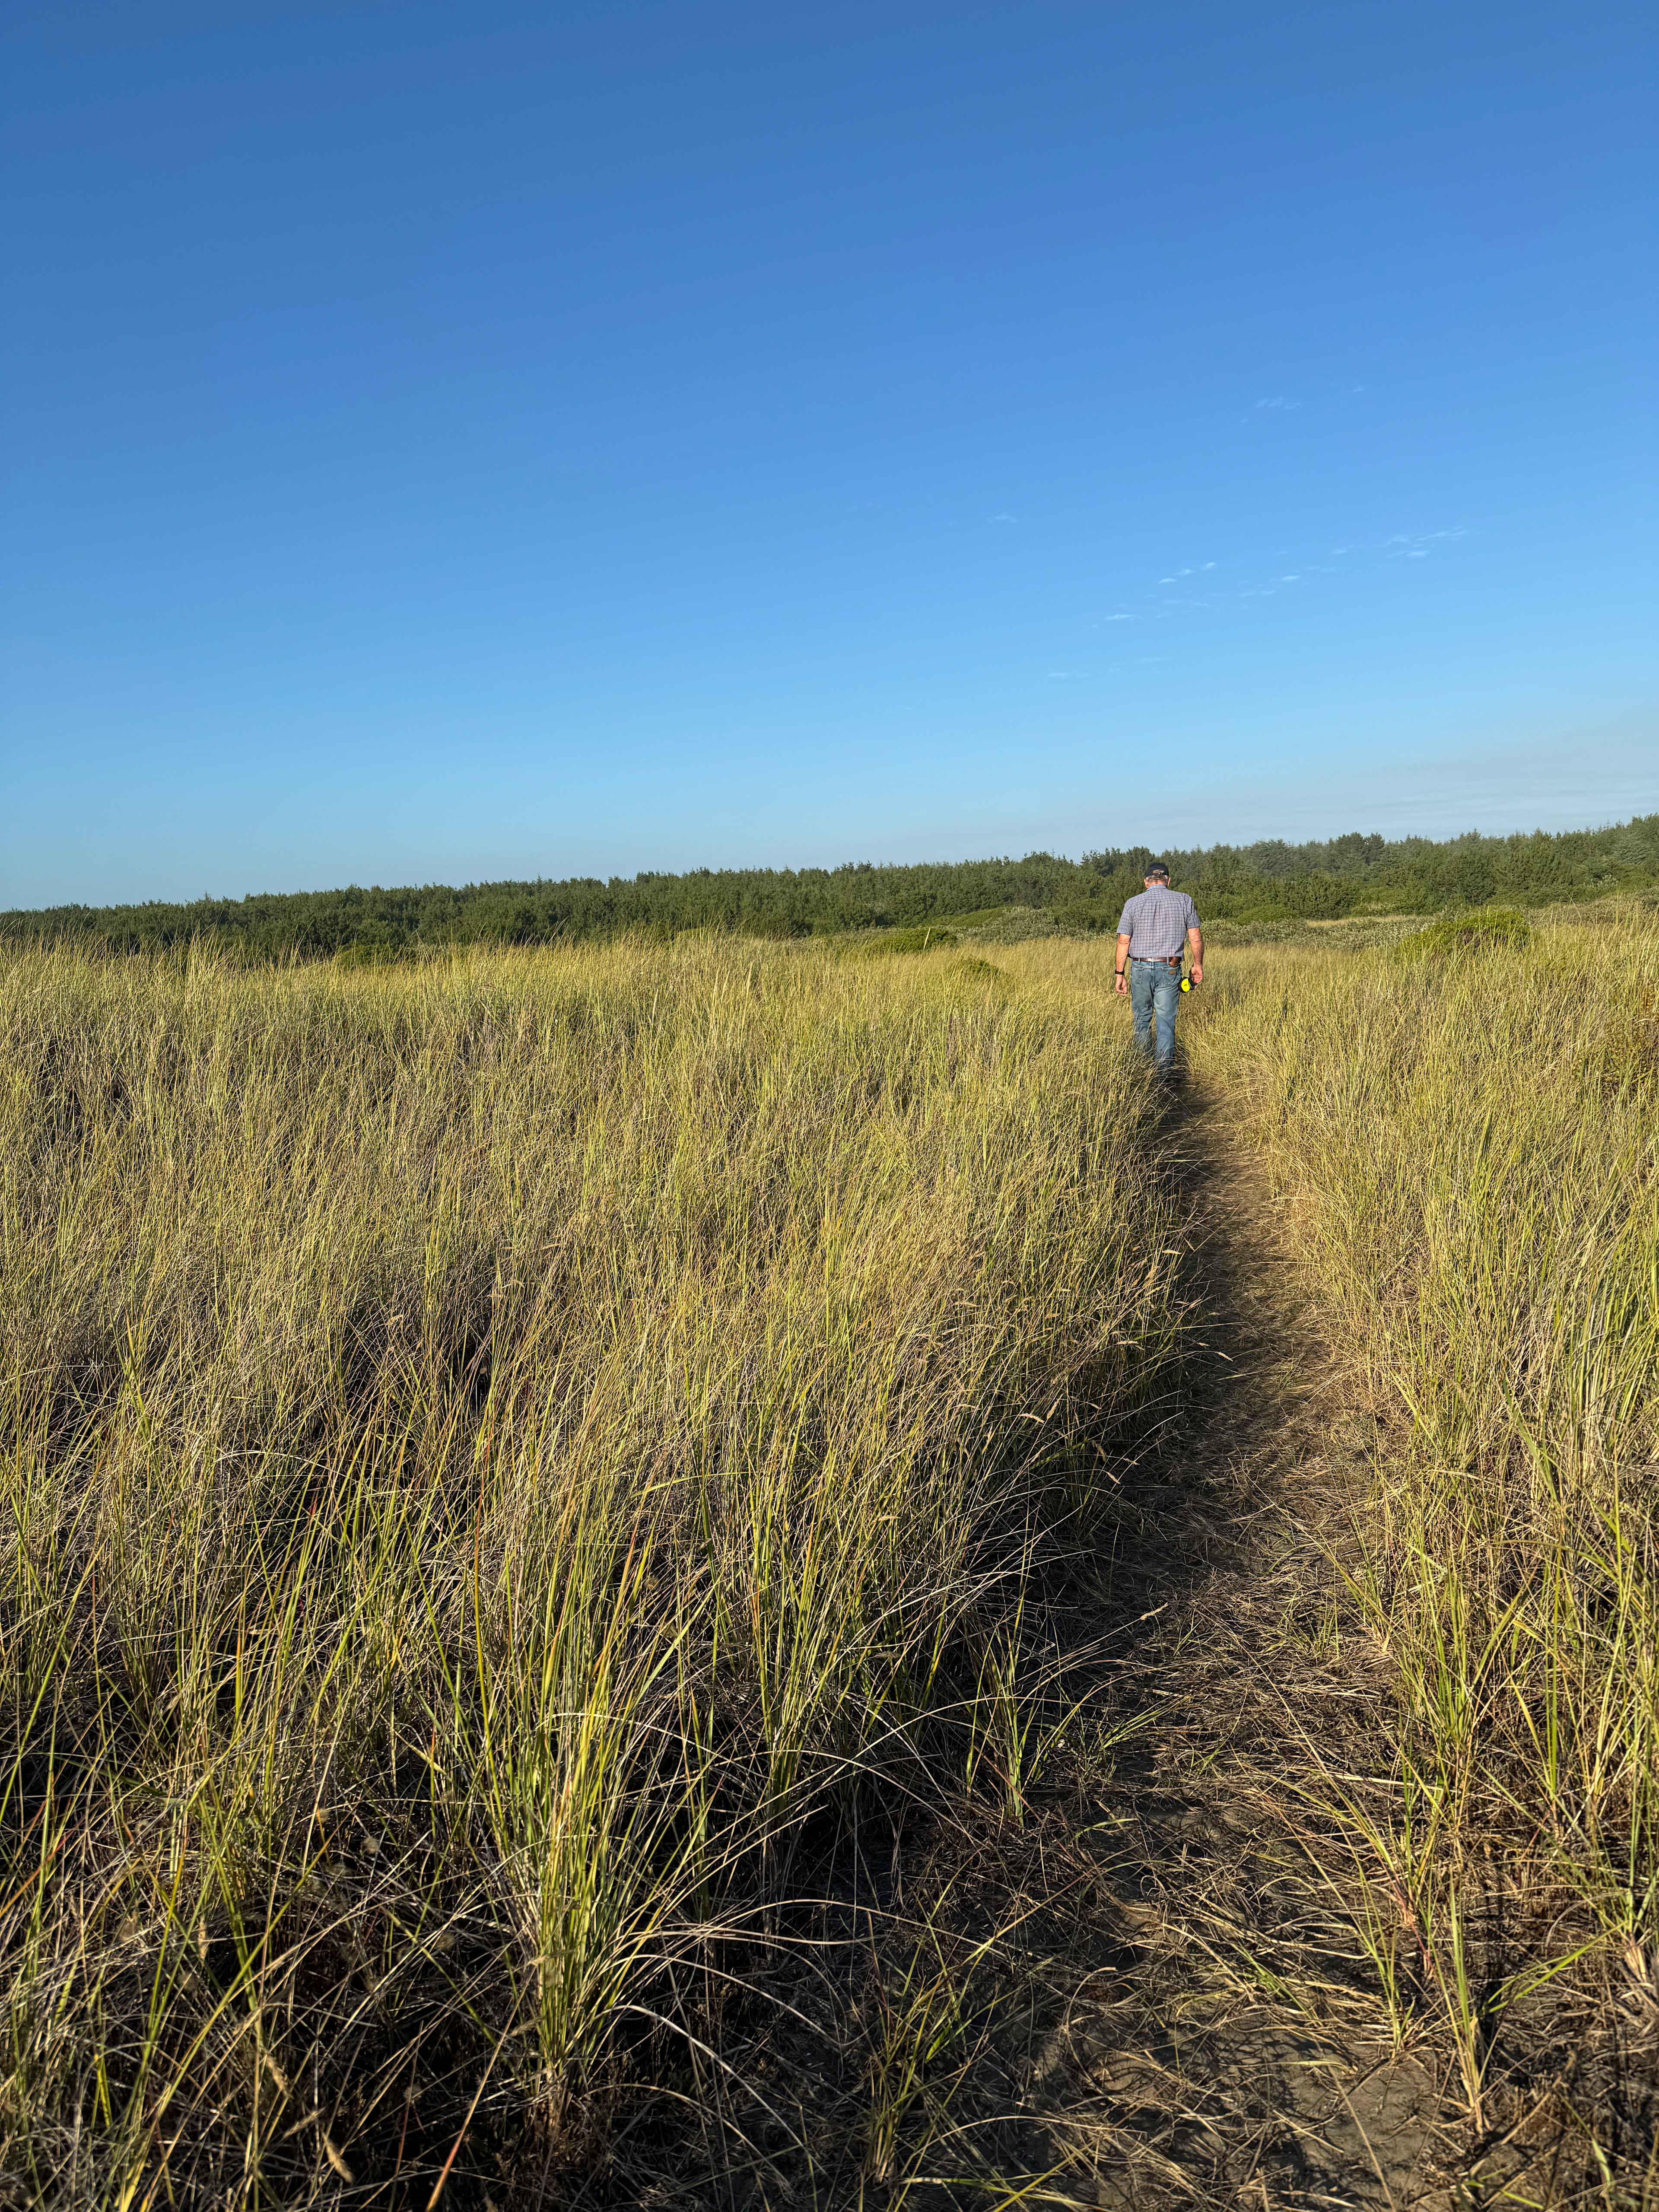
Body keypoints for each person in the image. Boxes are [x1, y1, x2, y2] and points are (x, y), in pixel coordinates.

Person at [1114, 862, 1203, 1073]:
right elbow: (1195, 938)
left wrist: (1119, 973)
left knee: (1142, 1019)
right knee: (1165, 1022)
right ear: (1168, 881)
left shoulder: (1133, 903)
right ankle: (1164, 1074)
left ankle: (1143, 1071)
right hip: (1170, 968)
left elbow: (1123, 942)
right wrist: (1197, 965)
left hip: (1140, 968)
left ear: (1146, 882)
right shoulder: (1184, 900)